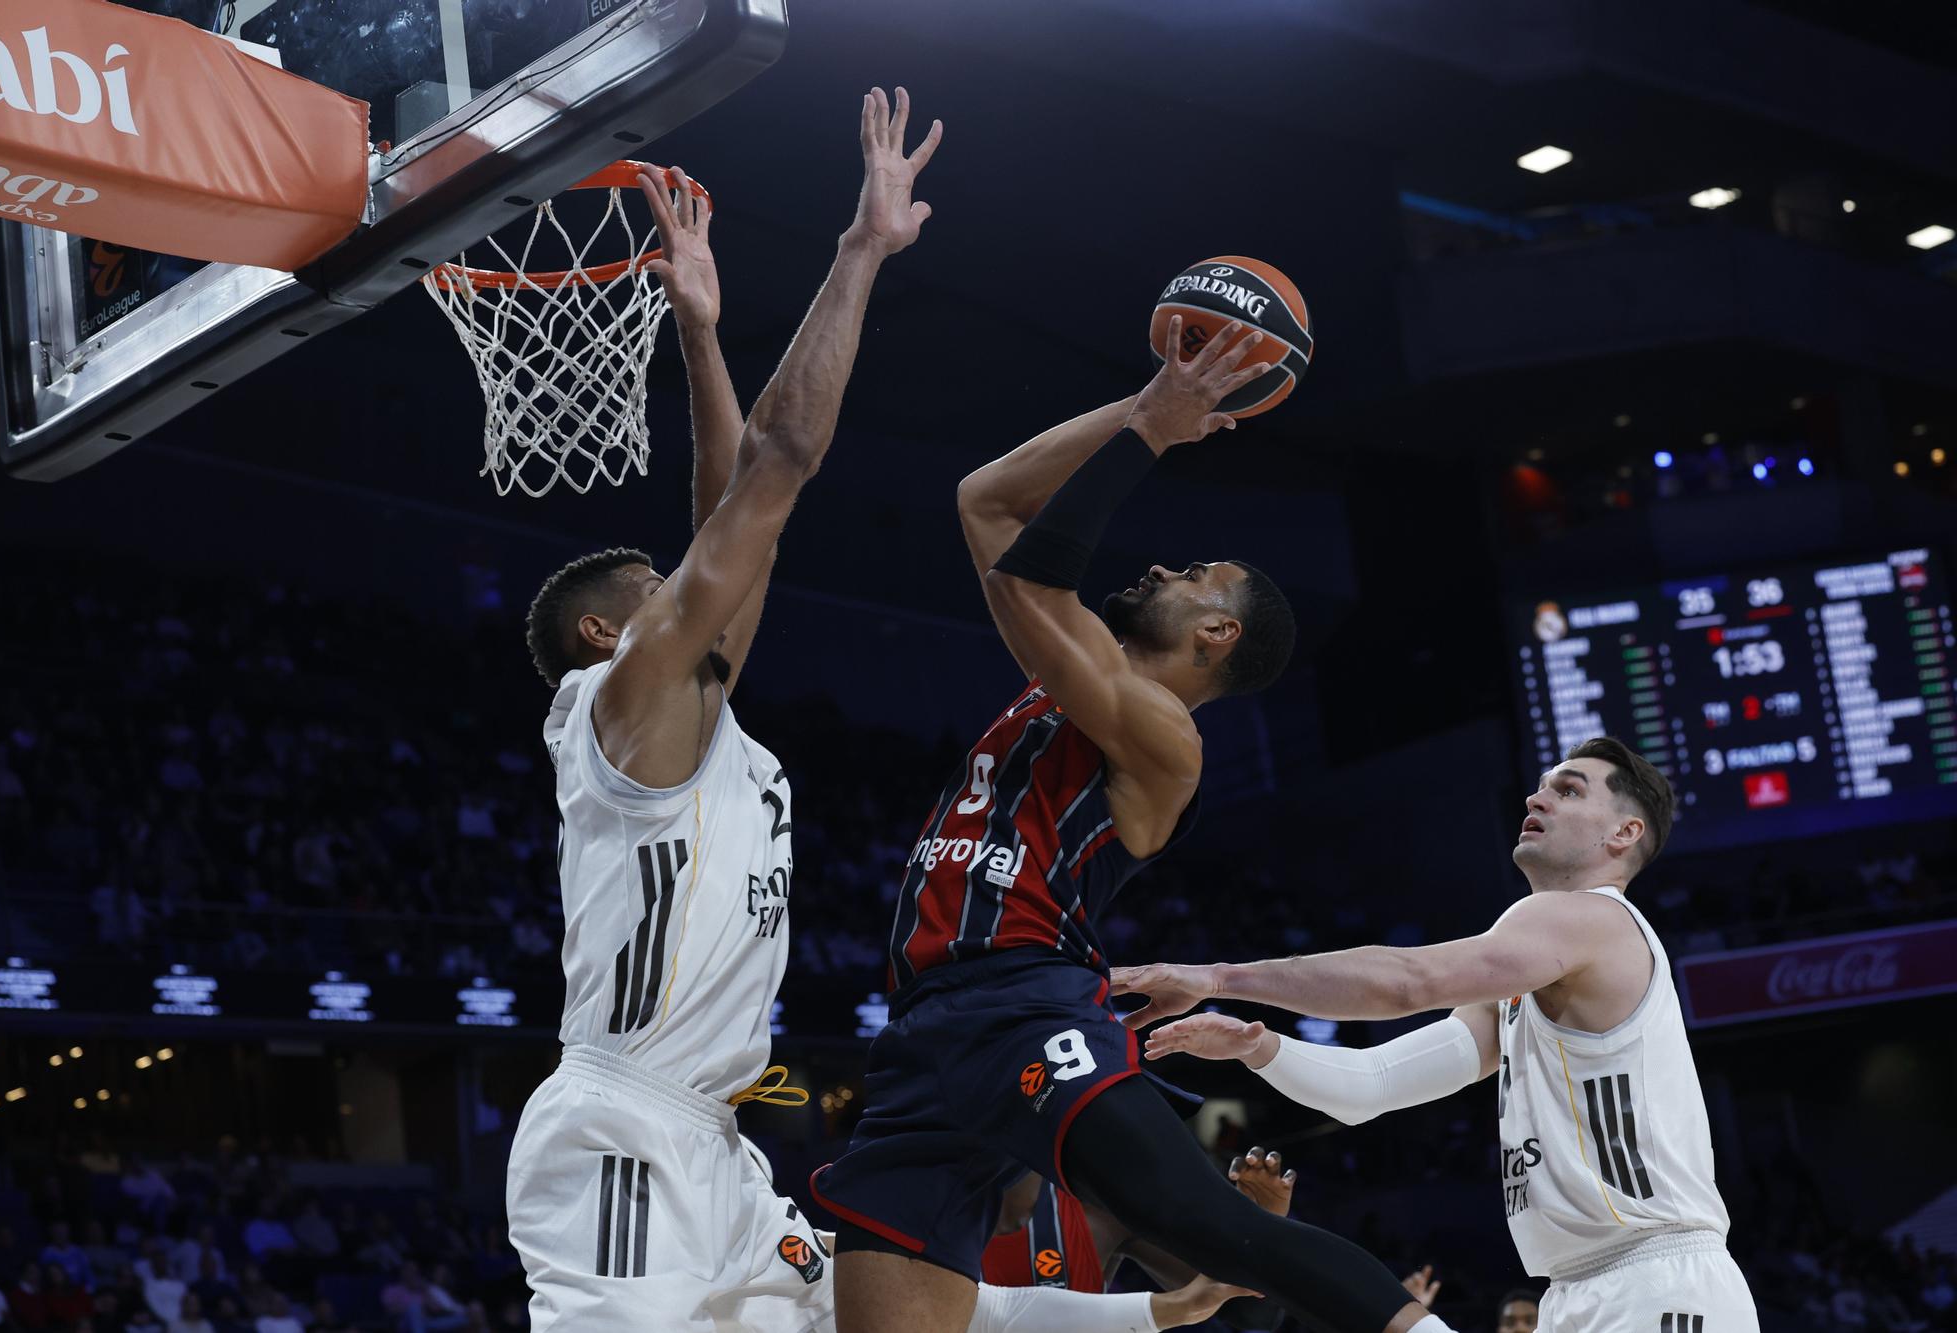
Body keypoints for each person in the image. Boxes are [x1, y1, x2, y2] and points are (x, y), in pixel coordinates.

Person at [814, 338, 1447, 1333]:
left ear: (1216, 636)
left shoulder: (1162, 733)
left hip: (1022, 1003)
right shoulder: (1078, 670)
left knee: (1206, 1225)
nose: (1161, 565)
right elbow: (983, 499)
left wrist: (1151, 435)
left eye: (1196, 576)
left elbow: (1028, 579)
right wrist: (1147, 402)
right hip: (919, 1034)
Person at [506, 87, 945, 1333]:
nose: (699, 584)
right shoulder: (623, 700)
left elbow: (727, 508)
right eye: (666, 588)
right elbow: (774, 472)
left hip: (712, 1137)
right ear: (608, 630)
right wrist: (860, 250)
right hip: (620, 1124)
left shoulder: (694, 713)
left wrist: (698, 334)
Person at [1121, 737, 1760, 1333]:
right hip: (1576, 1291)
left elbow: (1407, 982)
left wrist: (1216, 976)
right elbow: (1374, 1086)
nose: (1537, 798)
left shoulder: (1589, 919)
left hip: (1657, 1282)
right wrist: (1258, 1046)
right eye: (1541, 786)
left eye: (1568, 790)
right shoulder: (1530, 977)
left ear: (1625, 833)